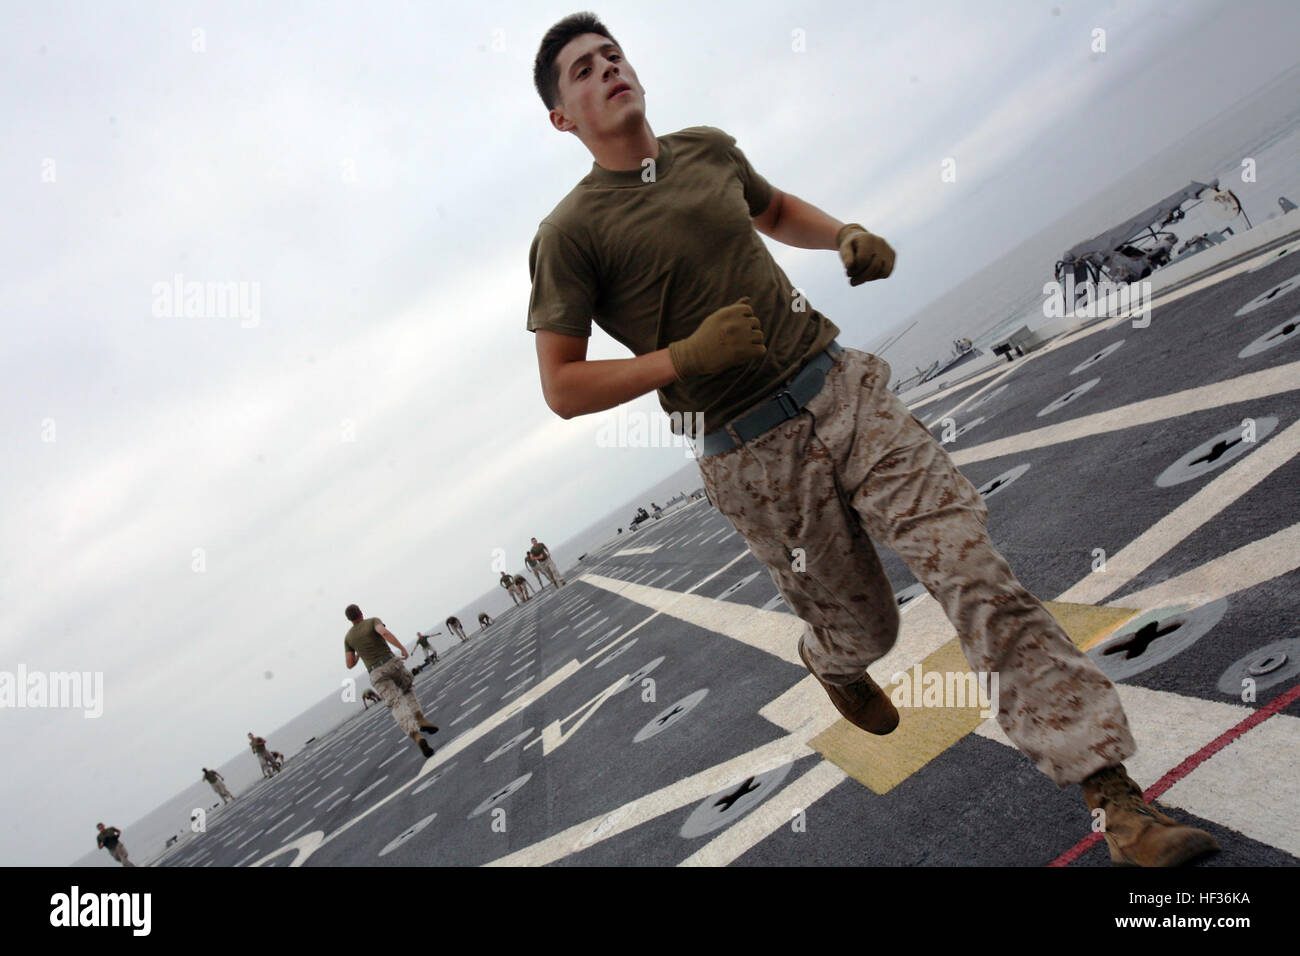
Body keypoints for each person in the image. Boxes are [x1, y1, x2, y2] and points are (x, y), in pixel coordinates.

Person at [524, 14, 1218, 868]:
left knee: (969, 567)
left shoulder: (706, 149)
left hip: (842, 389)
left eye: (613, 56)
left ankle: (1113, 798)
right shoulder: (571, 234)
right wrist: (684, 358)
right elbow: (561, 386)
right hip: (753, 459)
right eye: (584, 73)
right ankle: (834, 660)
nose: (608, 72)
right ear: (563, 118)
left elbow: (772, 209)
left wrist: (843, 233)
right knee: (867, 631)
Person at [343, 605, 440, 758]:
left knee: (395, 703)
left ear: (349, 619)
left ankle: (416, 736)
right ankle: (420, 719)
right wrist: (401, 648)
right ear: (361, 612)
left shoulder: (348, 638)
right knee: (407, 688)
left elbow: (350, 664)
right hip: (391, 663)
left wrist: (359, 654)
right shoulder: (372, 621)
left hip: (375, 673)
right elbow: (384, 632)